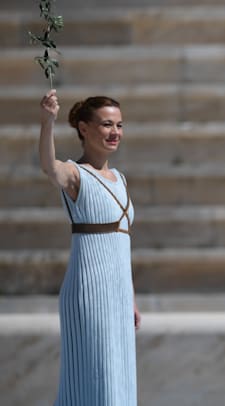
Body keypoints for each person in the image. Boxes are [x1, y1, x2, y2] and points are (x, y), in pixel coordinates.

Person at [39, 89, 140, 405]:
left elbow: (122, 244)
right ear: (84, 128)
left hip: (119, 293)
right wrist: (48, 122)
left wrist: (131, 298)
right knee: (93, 377)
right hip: (89, 292)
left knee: (119, 376)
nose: (115, 133)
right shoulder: (75, 174)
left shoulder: (120, 178)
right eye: (107, 125)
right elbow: (47, 166)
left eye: (119, 125)